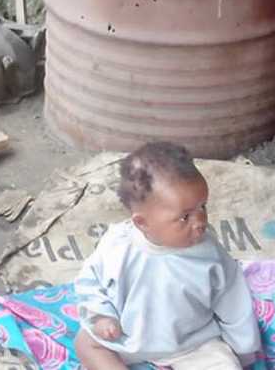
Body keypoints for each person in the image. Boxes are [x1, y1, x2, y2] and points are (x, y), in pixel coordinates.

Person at [73, 142, 262, 370]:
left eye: (203, 207)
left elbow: (235, 304)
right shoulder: (117, 244)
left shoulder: (210, 254)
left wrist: (244, 351)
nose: (200, 222)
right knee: (86, 344)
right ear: (142, 223)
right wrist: (102, 317)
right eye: (185, 217)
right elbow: (89, 282)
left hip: (192, 344)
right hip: (128, 338)